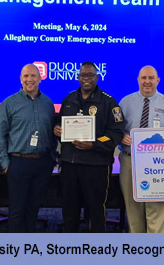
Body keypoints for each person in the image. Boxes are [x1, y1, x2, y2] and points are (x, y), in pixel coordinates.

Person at [54, 61, 124, 233]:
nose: (86, 79)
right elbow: (59, 123)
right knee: (69, 210)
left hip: (96, 166)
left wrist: (94, 144)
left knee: (96, 212)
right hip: (70, 165)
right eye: (83, 75)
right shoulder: (69, 99)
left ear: (97, 77)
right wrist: (56, 129)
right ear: (78, 77)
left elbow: (116, 133)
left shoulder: (109, 103)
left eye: (90, 75)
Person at [118, 65, 164, 233]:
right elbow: (115, 129)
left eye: (151, 78)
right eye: (144, 78)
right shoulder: (125, 102)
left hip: (159, 165)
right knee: (133, 209)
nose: (147, 82)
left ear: (157, 80)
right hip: (130, 160)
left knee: (158, 209)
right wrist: (120, 137)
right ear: (138, 80)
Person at [0, 64, 57, 233]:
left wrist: (52, 158)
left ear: (40, 78)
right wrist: (5, 164)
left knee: (33, 209)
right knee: (17, 210)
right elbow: (0, 137)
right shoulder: (8, 104)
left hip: (42, 163)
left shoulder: (48, 103)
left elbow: (51, 133)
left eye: (33, 76)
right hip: (18, 163)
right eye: (26, 76)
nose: (29, 80)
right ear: (21, 79)